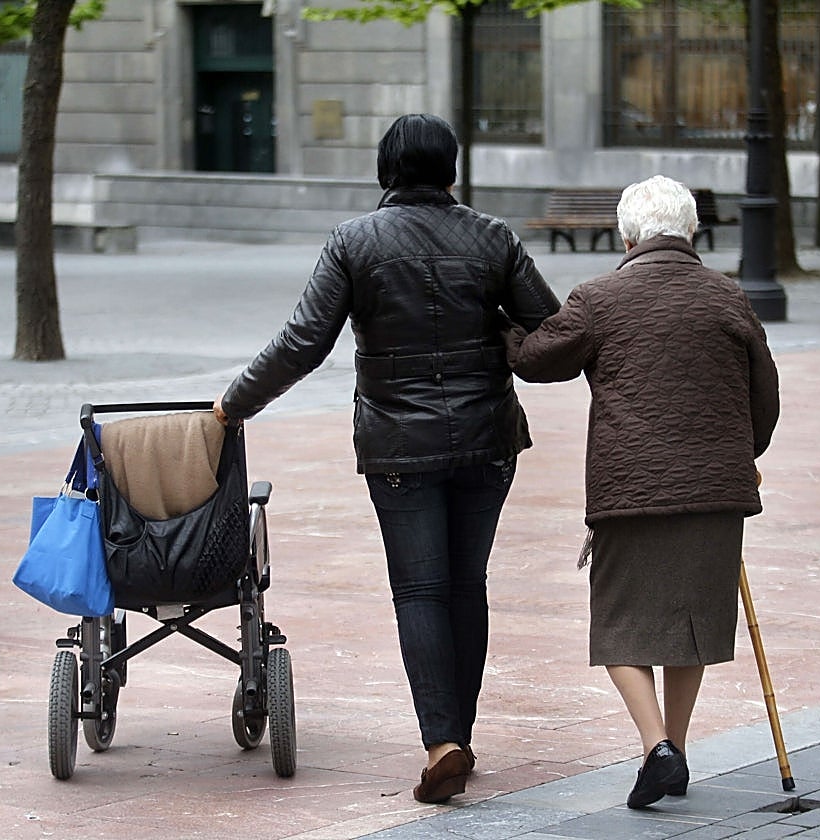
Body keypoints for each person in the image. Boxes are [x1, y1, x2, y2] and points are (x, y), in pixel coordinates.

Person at [213, 113, 561, 804]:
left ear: (385, 171)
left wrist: (231, 405)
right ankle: (456, 732)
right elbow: (550, 336)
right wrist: (499, 331)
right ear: (451, 170)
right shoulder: (494, 238)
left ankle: (443, 743)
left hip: (399, 445)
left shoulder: (354, 241)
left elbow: (302, 343)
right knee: (467, 585)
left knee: (420, 590)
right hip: (488, 440)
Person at [501, 175, 780, 809]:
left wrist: (502, 332)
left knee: (620, 624)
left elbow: (539, 359)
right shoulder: (729, 297)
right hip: (715, 490)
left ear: (627, 236)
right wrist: (745, 454)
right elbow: (765, 397)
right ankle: (671, 749)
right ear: (691, 232)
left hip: (631, 488)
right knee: (693, 624)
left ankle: (658, 748)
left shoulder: (600, 297)